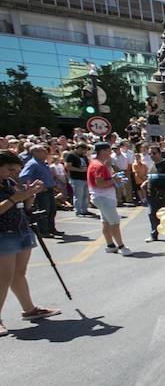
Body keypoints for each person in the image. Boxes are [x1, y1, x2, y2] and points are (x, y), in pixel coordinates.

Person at [0, 152, 60, 336]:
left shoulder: (8, 183)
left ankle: (29, 309)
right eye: (9, 169)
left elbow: (25, 207)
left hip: (21, 229)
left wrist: (30, 194)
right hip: (4, 233)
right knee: (3, 278)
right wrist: (15, 198)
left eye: (16, 170)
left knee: (19, 273)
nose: (12, 173)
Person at [86, 142, 131, 255]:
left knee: (106, 222)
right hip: (103, 197)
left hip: (101, 197)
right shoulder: (99, 165)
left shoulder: (96, 163)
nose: (111, 152)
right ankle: (121, 246)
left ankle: (110, 245)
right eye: (108, 150)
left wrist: (112, 178)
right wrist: (114, 180)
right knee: (114, 222)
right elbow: (100, 184)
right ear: (102, 151)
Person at [20, 144, 62, 237]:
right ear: (35, 152)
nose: (46, 152)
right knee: (44, 211)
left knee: (52, 210)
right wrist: (33, 186)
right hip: (42, 191)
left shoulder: (42, 163)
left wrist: (54, 186)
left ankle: (51, 229)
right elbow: (23, 176)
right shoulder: (32, 163)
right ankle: (43, 231)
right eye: (43, 151)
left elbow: (48, 176)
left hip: (49, 190)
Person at [143, 144, 165, 242]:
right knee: (152, 215)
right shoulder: (152, 165)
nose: (152, 155)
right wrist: (146, 183)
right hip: (152, 196)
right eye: (150, 154)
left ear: (160, 153)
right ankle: (154, 235)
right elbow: (151, 177)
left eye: (154, 153)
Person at [64, 142, 93, 217]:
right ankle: (78, 210)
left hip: (85, 178)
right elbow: (68, 166)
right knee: (78, 195)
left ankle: (85, 209)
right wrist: (81, 170)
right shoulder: (71, 155)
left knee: (85, 195)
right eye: (84, 150)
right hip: (76, 178)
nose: (85, 152)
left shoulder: (84, 157)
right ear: (79, 148)